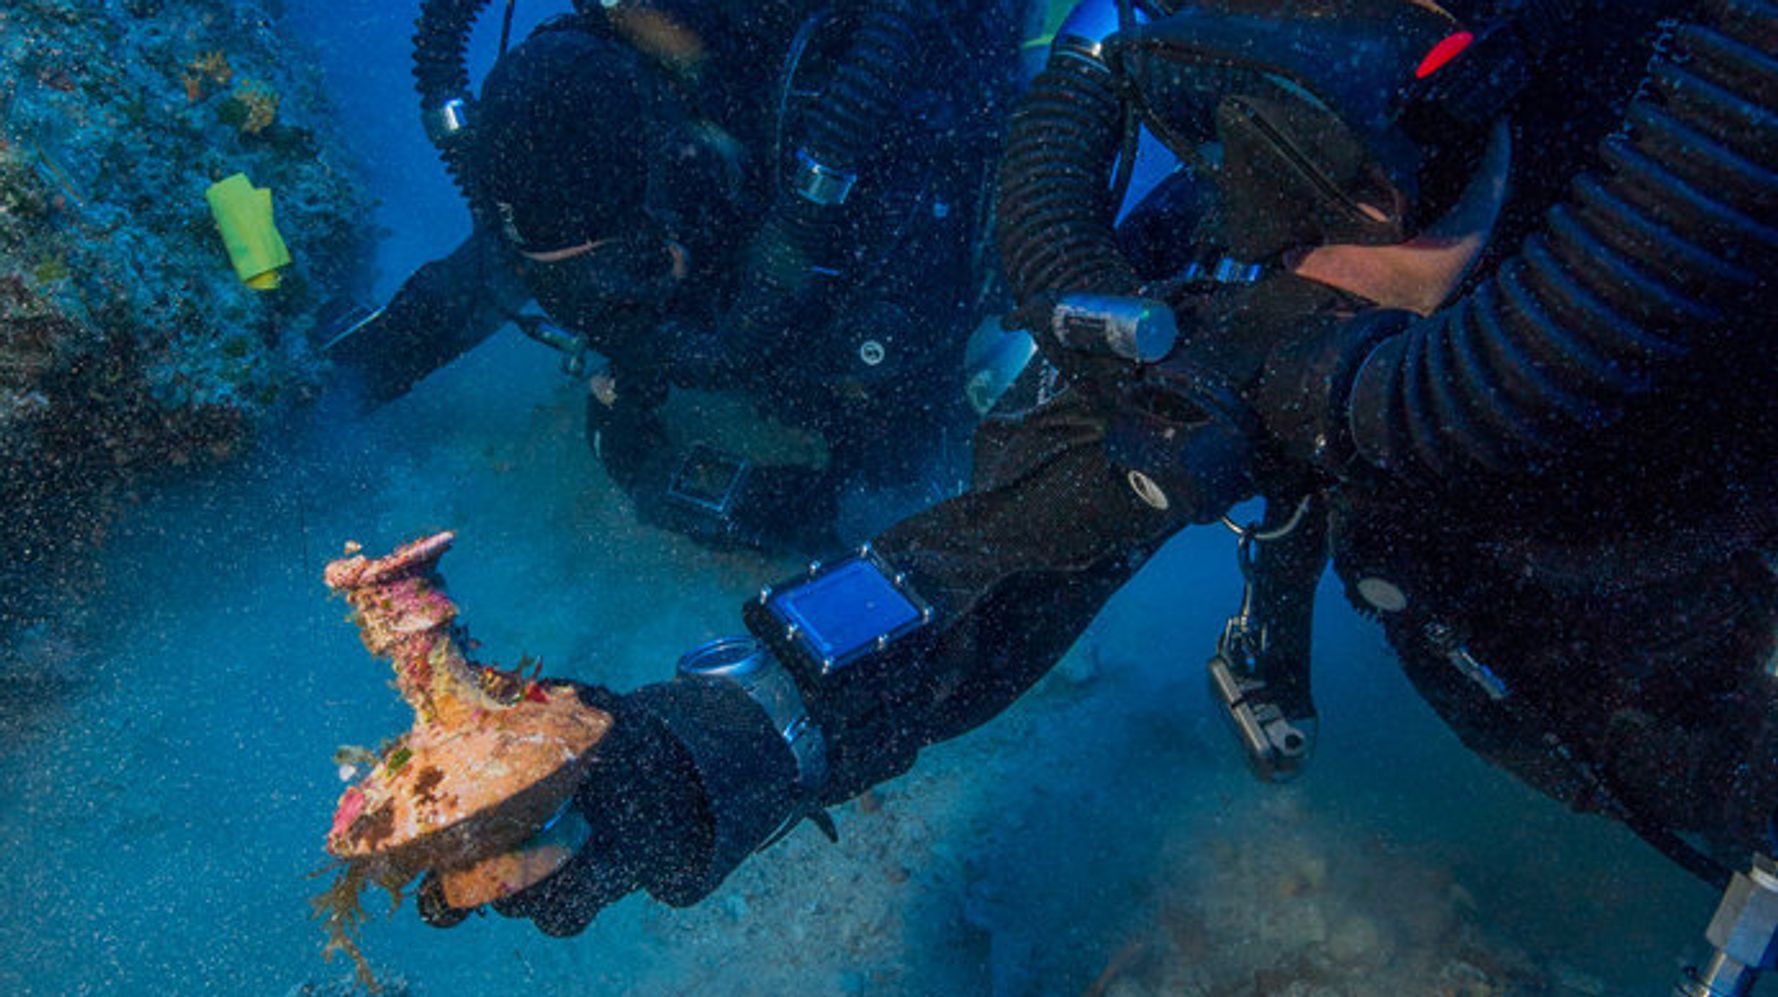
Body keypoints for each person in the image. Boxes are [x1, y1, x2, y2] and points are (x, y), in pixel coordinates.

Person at [412, 0, 1778, 955]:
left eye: (1319, 148)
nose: (1253, 228)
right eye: (1202, 116)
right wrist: (692, 759)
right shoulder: (1238, 259)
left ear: (1493, 75)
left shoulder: (1709, 223)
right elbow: (986, 557)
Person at [324, 0, 1024, 552]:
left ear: (689, 177)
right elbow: (485, 279)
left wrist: (657, 478)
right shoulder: (591, 122)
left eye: (619, 278)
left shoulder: (873, 209)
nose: (595, 318)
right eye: (566, 287)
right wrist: (318, 407)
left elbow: (889, 491)